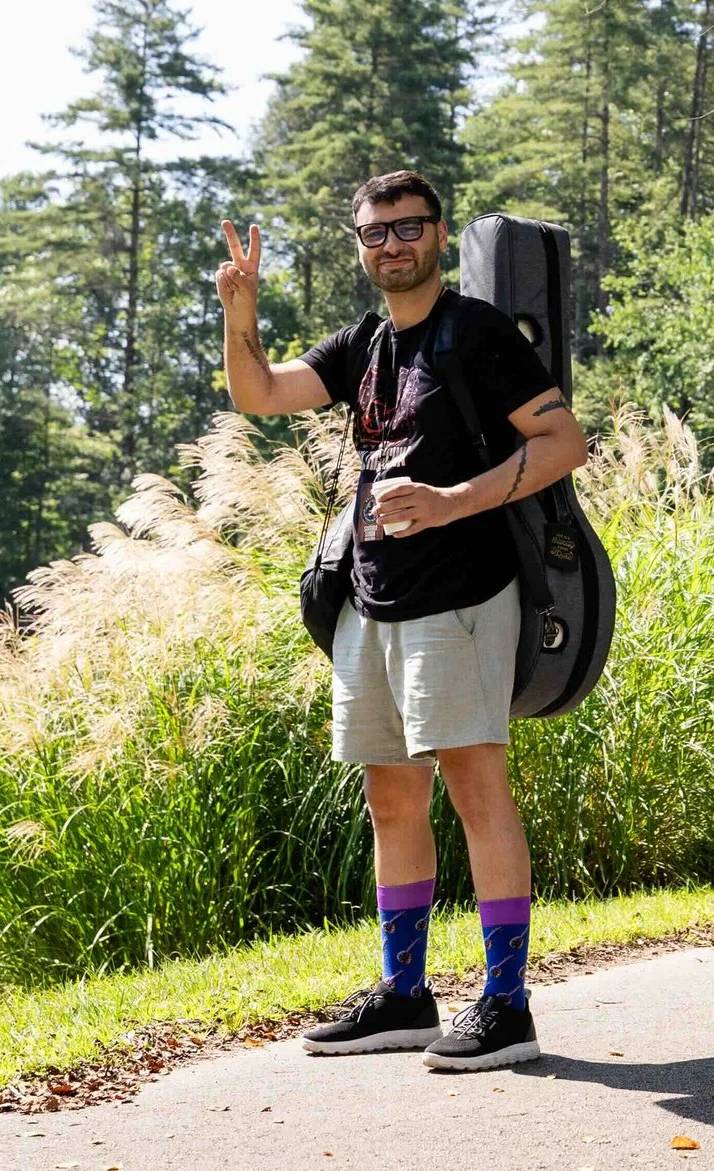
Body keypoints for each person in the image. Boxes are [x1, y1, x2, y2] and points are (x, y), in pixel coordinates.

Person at [214, 170, 588, 1072]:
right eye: (374, 232)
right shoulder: (365, 345)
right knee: (391, 797)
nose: (391, 244)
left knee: (475, 788)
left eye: (408, 227)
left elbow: (563, 442)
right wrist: (240, 309)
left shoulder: (477, 333)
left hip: (462, 595)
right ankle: (407, 994)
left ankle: (506, 1006)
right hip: (370, 599)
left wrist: (456, 499)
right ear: (359, 246)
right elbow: (259, 393)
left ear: (438, 233)